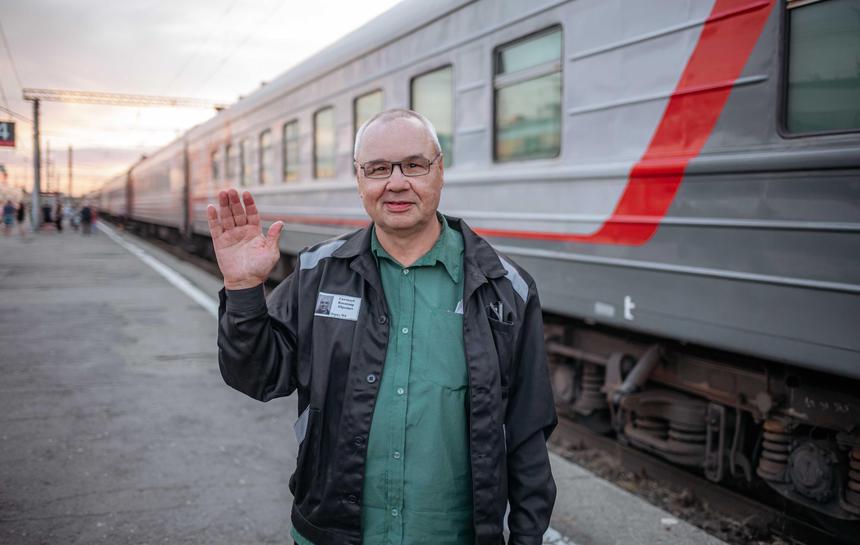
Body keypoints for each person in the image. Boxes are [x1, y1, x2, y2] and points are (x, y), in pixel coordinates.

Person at [211, 109, 557, 545]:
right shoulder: (319, 273)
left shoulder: (507, 290)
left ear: (440, 171)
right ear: (359, 180)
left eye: (413, 165)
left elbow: (527, 434)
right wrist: (244, 290)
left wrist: (526, 539)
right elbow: (258, 378)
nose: (396, 183)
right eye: (377, 169)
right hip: (332, 532)